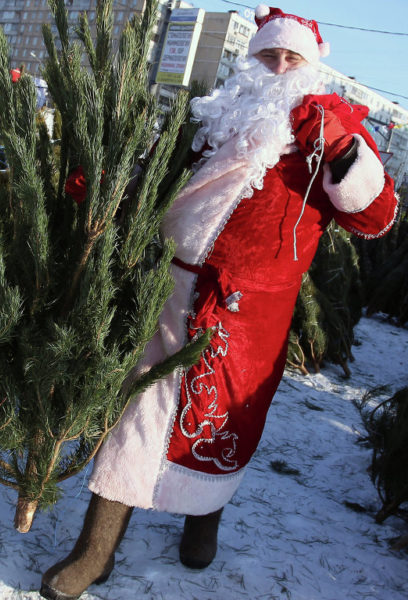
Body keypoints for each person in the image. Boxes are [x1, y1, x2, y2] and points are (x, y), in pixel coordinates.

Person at [40, 5, 399, 600]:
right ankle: (95, 551)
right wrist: (107, 188)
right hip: (171, 289)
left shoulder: (330, 128)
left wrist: (339, 151)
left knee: (221, 426)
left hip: (250, 316)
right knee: (137, 415)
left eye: (292, 58)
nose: (279, 67)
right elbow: (157, 177)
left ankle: (203, 520)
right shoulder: (213, 115)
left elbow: (376, 217)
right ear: (249, 59)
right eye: (268, 54)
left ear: (311, 68)